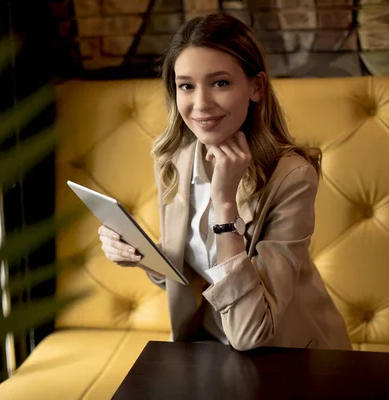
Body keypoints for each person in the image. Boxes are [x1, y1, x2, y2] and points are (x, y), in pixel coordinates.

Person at [97, 13, 351, 351]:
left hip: (285, 355)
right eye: (186, 85)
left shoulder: (291, 177)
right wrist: (139, 253)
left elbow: (252, 332)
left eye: (220, 83)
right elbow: (191, 273)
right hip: (209, 349)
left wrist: (225, 205)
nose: (200, 104)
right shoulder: (175, 160)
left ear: (256, 87)